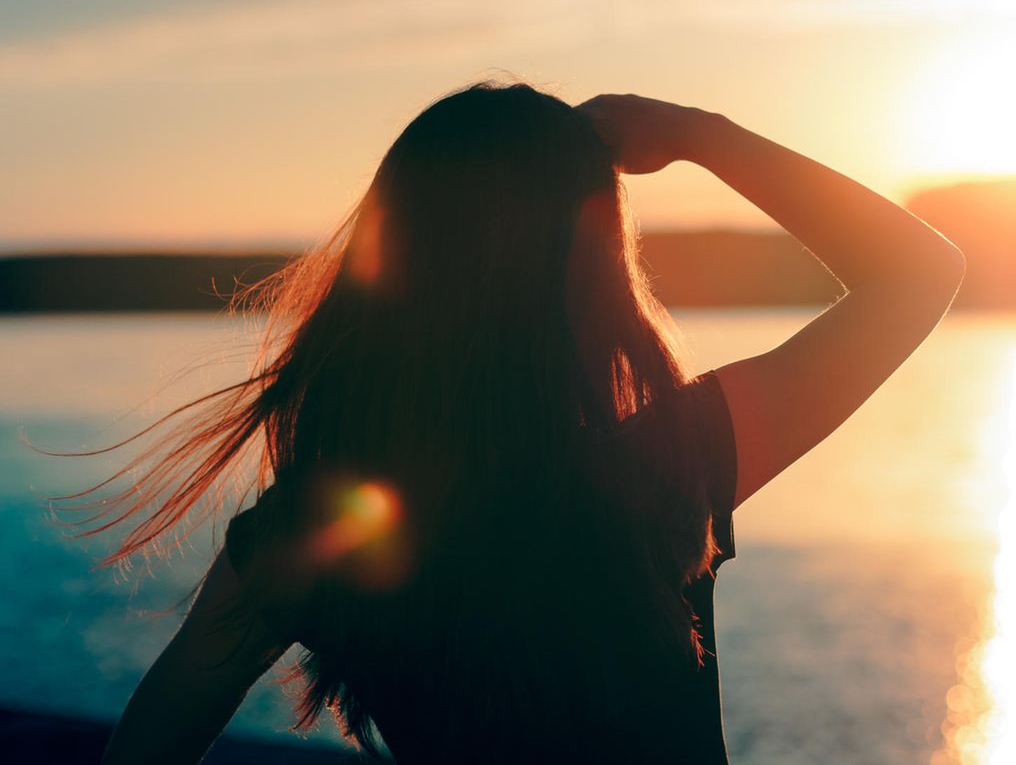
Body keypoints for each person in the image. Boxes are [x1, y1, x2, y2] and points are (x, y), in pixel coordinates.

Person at [90, 82, 965, 763]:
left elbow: (145, 749)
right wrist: (697, 133)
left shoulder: (308, 534)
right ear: (592, 281)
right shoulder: (662, 468)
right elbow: (919, 272)